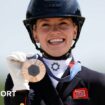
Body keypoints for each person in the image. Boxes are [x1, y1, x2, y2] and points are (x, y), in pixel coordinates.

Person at [4, 0, 105, 105]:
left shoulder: (99, 82)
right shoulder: (16, 80)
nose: (55, 31)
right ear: (35, 33)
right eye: (45, 25)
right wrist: (19, 91)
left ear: (75, 30)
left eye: (63, 23)